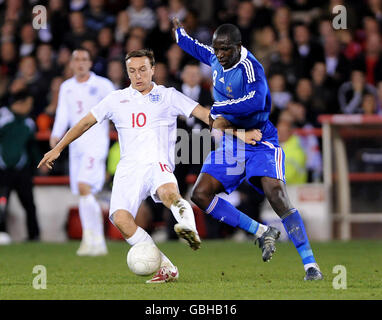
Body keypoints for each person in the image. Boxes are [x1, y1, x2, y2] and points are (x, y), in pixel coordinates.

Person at [38, 49, 262, 283]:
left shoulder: (169, 96)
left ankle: (188, 228)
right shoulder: (116, 99)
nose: (138, 75)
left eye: (143, 69)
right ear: (127, 73)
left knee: (168, 193)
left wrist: (240, 133)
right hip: (129, 168)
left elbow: (205, 115)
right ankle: (166, 266)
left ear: (153, 70)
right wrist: (58, 148)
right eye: (132, 71)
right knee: (120, 219)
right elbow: (85, 122)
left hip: (157, 162)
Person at [173, 18, 323, 280]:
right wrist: (178, 31)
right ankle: (262, 232)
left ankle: (311, 265)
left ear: (238, 47)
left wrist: (219, 109)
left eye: (225, 50)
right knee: (200, 194)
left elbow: (255, 101)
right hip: (233, 141)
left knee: (276, 195)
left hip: (260, 141)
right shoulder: (215, 57)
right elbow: (193, 46)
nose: (219, 55)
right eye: (217, 49)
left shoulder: (251, 68)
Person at [50, 48, 115, 256]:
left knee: (84, 186)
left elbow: (116, 110)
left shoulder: (103, 85)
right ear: (71, 63)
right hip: (75, 146)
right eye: (76, 59)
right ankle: (91, 240)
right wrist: (56, 134)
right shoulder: (66, 87)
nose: (80, 63)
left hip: (96, 144)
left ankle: (97, 240)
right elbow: (63, 112)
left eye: (84, 59)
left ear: (90, 62)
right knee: (83, 193)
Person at [0, 90, 41, 242]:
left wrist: (39, 162)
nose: (30, 107)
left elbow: (32, 147)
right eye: (28, 104)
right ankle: (2, 233)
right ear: (19, 103)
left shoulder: (28, 123)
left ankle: (34, 235)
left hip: (22, 170)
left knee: (29, 203)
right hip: (3, 170)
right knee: (2, 203)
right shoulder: (3, 118)